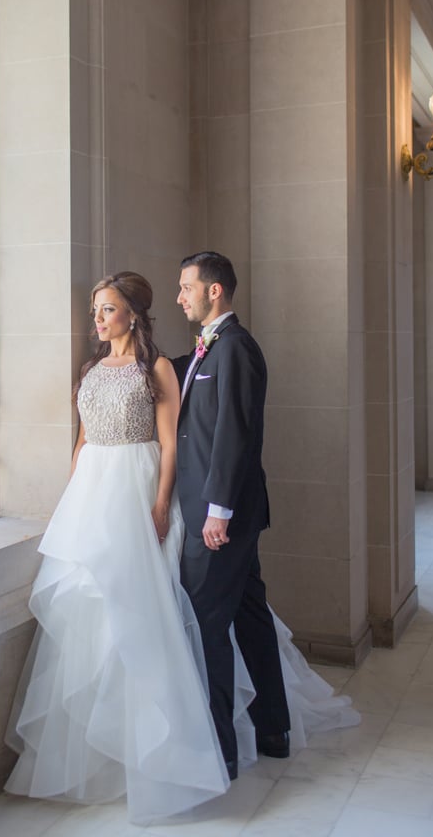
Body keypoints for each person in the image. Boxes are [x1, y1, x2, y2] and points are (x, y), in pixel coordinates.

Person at [5, 269, 359, 826]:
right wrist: (71, 501)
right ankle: (233, 730)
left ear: (132, 314)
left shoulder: (167, 366)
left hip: (146, 493)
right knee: (108, 612)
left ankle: (222, 737)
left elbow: (178, 442)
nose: (97, 319)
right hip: (94, 499)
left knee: (178, 613)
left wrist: (164, 503)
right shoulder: (92, 369)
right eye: (95, 309)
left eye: (108, 309)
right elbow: (80, 441)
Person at [174, 250, 290, 778]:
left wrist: (216, 512)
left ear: (213, 290)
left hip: (220, 517)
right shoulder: (207, 348)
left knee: (206, 624)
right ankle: (273, 729)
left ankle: (219, 750)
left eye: (186, 287)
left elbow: (233, 436)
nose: (181, 297)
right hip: (221, 512)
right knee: (249, 615)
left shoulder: (237, 348)